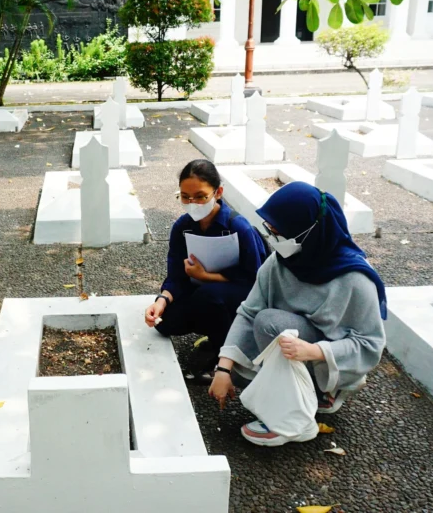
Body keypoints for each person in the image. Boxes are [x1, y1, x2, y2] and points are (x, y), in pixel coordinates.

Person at [208, 182, 387, 446]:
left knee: (270, 323)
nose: (273, 237)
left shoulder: (354, 279)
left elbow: (370, 344)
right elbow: (248, 312)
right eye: (271, 229)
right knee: (234, 373)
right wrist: (223, 367)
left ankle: (296, 418)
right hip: (293, 344)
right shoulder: (281, 262)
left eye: (279, 232)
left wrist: (316, 352)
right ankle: (304, 389)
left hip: (327, 356)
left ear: (310, 231)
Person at [144, 160, 268, 381]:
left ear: (218, 192)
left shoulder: (238, 226)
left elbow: (255, 279)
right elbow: (176, 275)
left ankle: (226, 359)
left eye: (201, 196)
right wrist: (161, 300)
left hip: (239, 294)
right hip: (200, 292)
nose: (192, 203)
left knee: (208, 297)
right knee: (166, 322)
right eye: (185, 196)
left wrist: (206, 276)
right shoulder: (182, 227)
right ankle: (215, 331)